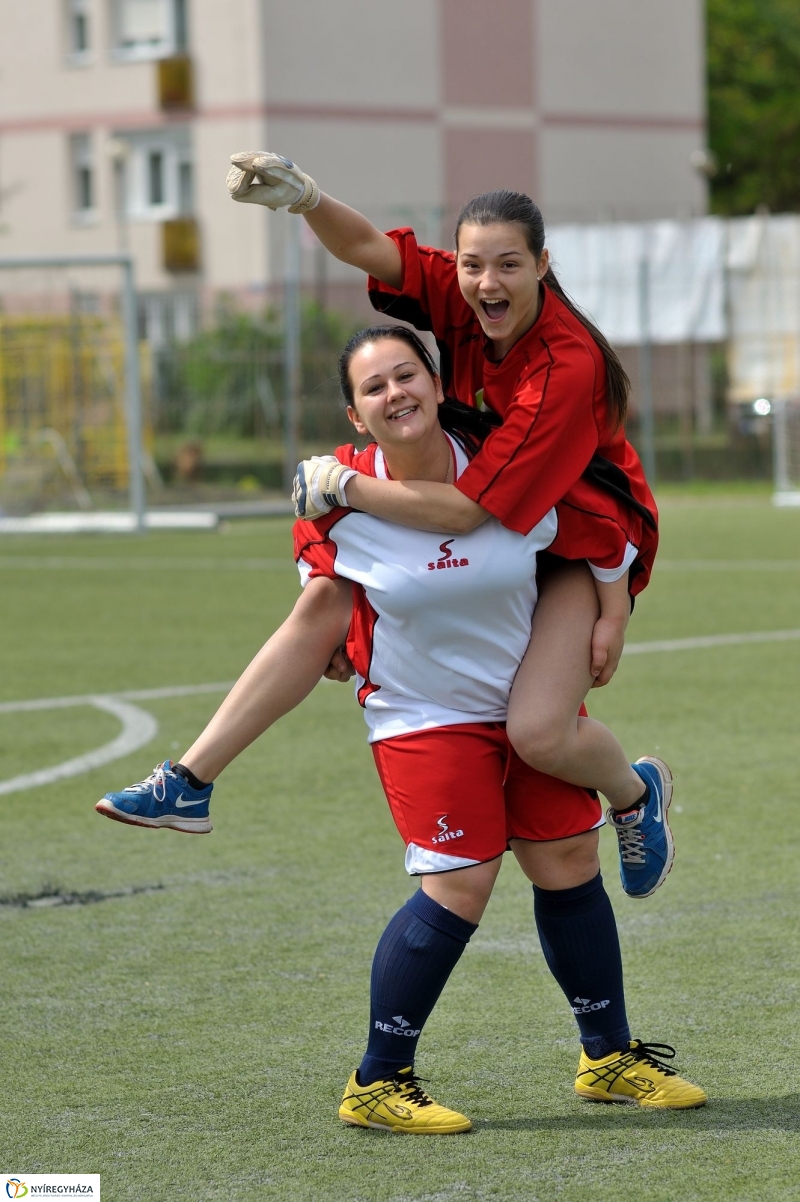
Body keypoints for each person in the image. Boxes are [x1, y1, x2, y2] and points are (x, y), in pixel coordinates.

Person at [98, 327, 706, 1131]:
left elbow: (604, 536)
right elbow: (318, 610)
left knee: (564, 860)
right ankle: (378, 1081)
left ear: (435, 381)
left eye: (406, 374)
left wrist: (609, 617)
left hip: (529, 702)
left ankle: (609, 1056)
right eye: (374, 387)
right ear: (356, 415)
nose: (396, 394)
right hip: (424, 716)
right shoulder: (332, 499)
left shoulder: (508, 472)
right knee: (460, 883)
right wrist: (338, 648)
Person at [224, 152, 670, 900]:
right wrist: (305, 198)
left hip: (584, 540)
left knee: (539, 733)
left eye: (508, 266)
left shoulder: (564, 367)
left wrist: (345, 486)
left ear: (542, 266)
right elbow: (372, 248)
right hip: (514, 527)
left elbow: (468, 513)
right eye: (472, 265)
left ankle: (633, 793)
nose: (486, 283)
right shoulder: (464, 293)